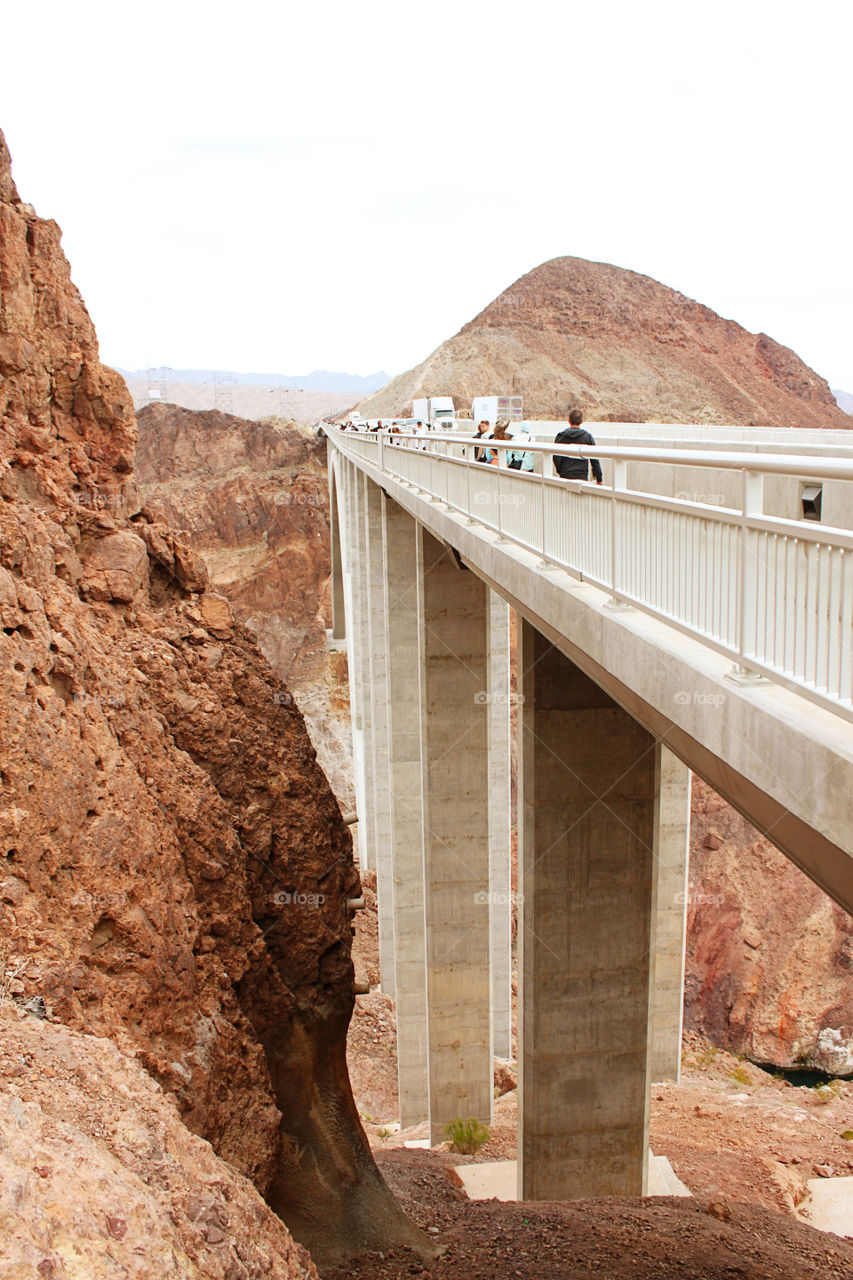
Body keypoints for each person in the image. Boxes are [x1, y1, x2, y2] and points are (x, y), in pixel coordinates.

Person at [553, 409, 603, 483]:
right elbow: (594, 460)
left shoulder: (561, 436)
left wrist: (561, 470)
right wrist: (599, 478)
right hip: (582, 476)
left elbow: (556, 457)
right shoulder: (587, 436)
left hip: (565, 474)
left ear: (569, 420)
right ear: (582, 421)